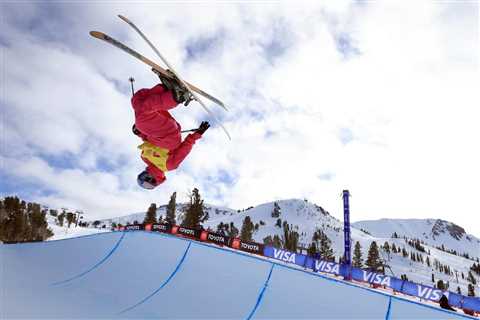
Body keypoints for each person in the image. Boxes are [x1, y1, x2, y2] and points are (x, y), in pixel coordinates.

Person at [132, 70, 210, 189]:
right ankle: (177, 96)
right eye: (145, 180)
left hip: (158, 134)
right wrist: (197, 134)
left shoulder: (144, 157)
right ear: (152, 180)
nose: (144, 176)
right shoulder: (168, 165)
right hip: (169, 138)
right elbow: (185, 148)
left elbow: (148, 139)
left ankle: (167, 88)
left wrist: (139, 133)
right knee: (142, 118)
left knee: (137, 101)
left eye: (141, 177)